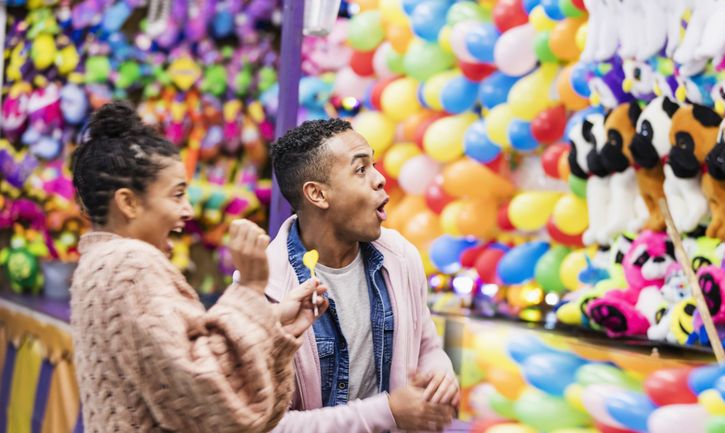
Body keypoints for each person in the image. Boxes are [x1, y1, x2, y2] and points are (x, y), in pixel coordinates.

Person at [68, 102, 328, 433]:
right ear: (129, 203)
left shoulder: (101, 264)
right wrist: (249, 290)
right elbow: (207, 401)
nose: (188, 211)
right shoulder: (128, 266)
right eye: (176, 195)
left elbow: (179, 369)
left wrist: (274, 325)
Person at [266, 118, 459, 433]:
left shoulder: (400, 257)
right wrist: (386, 413)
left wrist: (439, 373)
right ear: (317, 194)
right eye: (360, 169)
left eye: (374, 165)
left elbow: (426, 344)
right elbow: (269, 425)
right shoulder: (265, 288)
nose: (380, 179)